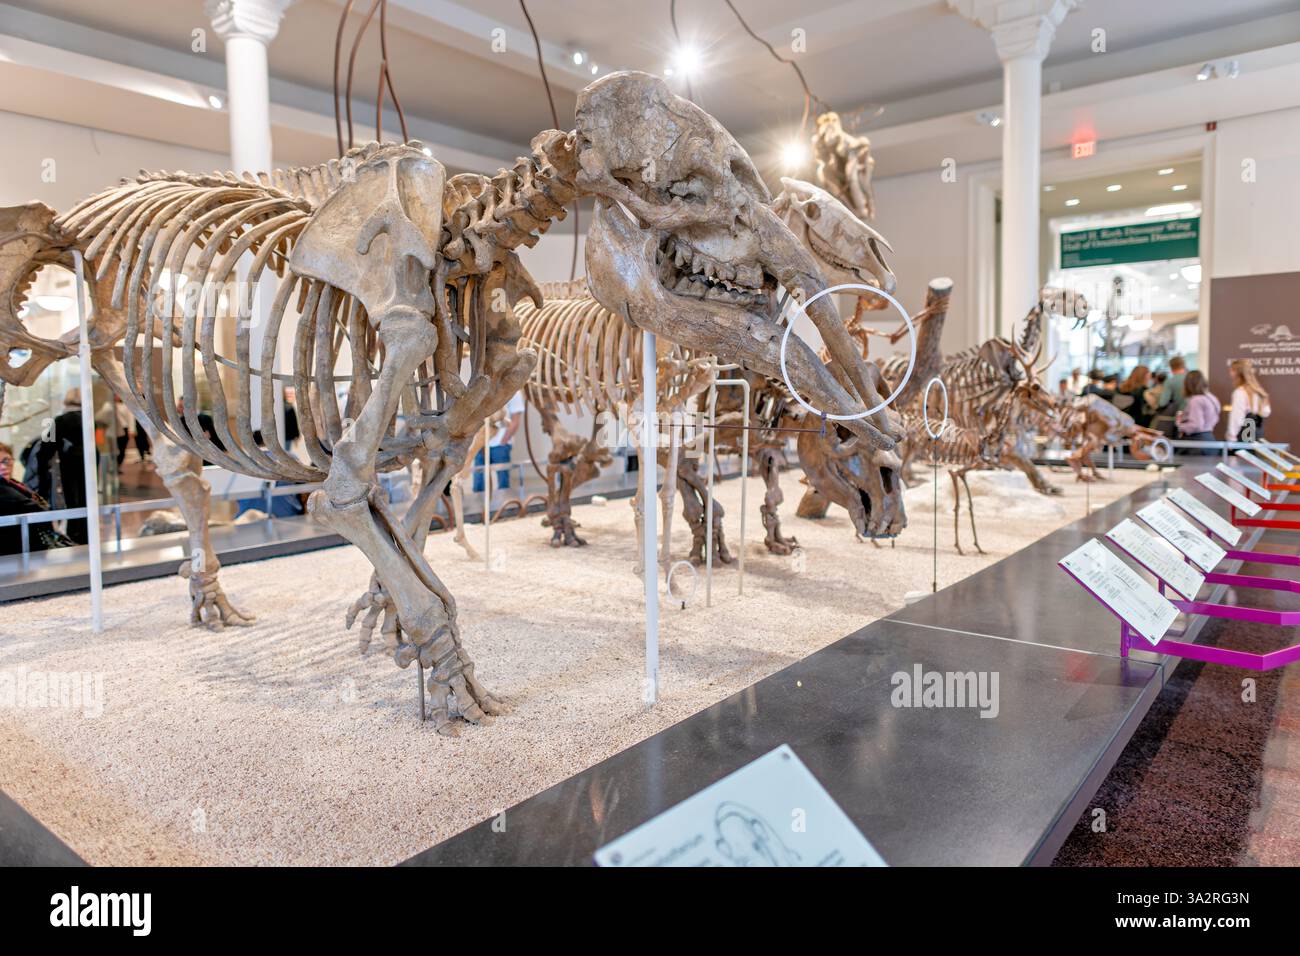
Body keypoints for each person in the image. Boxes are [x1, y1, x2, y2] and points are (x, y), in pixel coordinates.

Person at [34, 388, 94, 544]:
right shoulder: (88, 418)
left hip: (69, 466)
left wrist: (41, 471)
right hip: (89, 463)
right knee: (87, 499)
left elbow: (46, 448)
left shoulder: (61, 421)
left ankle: (75, 536)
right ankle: (86, 535)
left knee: (72, 501)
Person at [0, 441, 74, 555]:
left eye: (6, 460)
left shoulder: (14, 484)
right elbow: (35, 509)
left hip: (26, 550)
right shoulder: (3, 488)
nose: (3, 466)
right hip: (13, 555)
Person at [472, 391, 524, 494]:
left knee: (503, 481)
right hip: (481, 443)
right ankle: (479, 508)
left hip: (500, 445)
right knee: (478, 481)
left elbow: (515, 421)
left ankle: (503, 507)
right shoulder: (482, 388)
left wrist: (503, 441)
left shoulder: (514, 393)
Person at [1175, 369, 1222, 454]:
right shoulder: (1211, 397)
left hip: (1198, 444)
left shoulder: (1196, 400)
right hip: (1210, 440)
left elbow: (1196, 425)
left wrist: (1180, 426)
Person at [1226, 358, 1271, 441]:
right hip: (1257, 436)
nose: (1230, 373)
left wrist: (1231, 438)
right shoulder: (1259, 392)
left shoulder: (1240, 392)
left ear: (1237, 372)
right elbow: (1266, 412)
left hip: (1244, 436)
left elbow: (1236, 419)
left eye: (1231, 370)